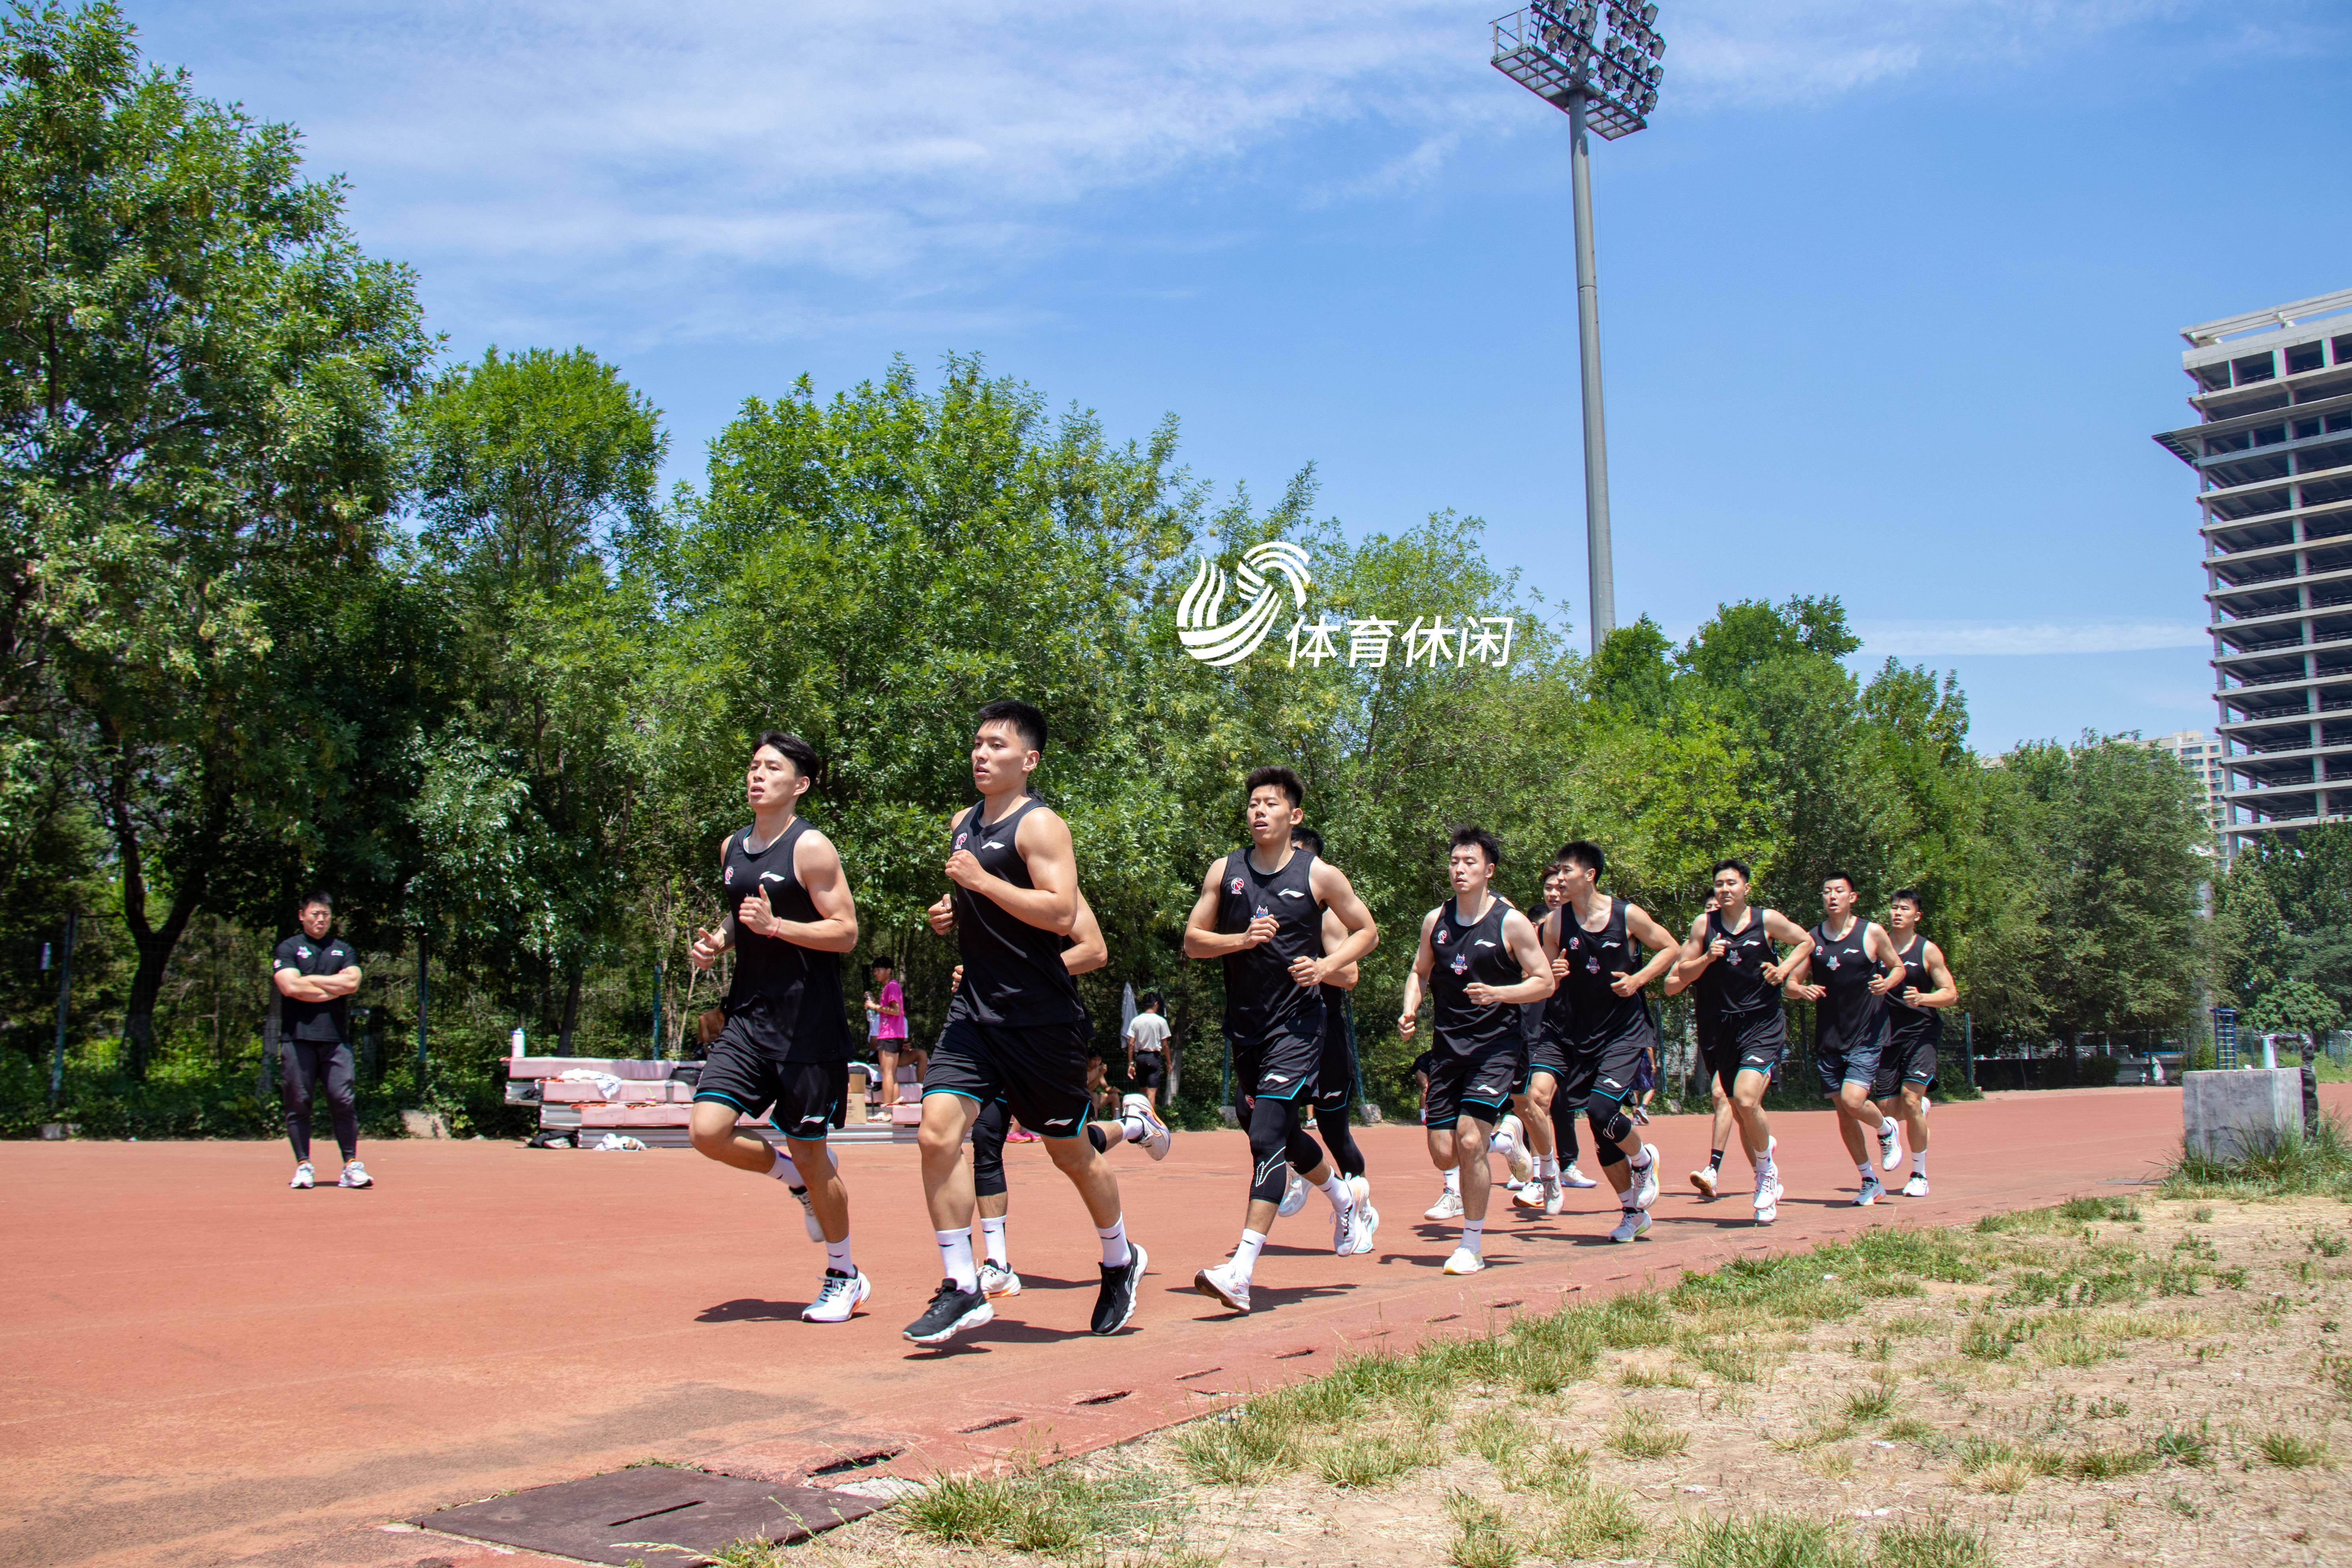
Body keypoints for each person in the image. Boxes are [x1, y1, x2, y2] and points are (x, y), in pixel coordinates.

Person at [908, 700, 1147, 1346]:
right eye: (977, 744)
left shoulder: (1041, 828)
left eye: (997, 745)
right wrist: (951, 914)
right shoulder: (962, 823)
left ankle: (1120, 1259)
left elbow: (1063, 910)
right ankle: (962, 1285)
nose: (981, 754)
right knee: (936, 1135)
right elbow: (981, 908)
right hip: (975, 1012)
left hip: (1038, 1018)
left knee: (1071, 1151)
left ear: (1029, 760)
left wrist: (982, 885)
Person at [1185, 768, 1380, 1315]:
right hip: (1246, 1026)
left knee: (1266, 1132)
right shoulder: (1226, 870)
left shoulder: (1318, 874)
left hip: (1298, 1025)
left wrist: (1326, 965)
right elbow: (1193, 941)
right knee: (1279, 1132)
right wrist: (1239, 939)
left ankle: (1241, 1271)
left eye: (1270, 803)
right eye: (1252, 803)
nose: (1259, 811)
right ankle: (1344, 1199)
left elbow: (1367, 929)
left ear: (1294, 816)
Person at [685, 732, 866, 1323]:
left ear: (801, 783)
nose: (757, 775)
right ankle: (790, 1176)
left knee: (814, 1153)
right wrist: (720, 938)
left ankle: (845, 1273)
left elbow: (845, 932)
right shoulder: (732, 846)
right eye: (754, 766)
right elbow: (745, 912)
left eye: (772, 767)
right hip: (748, 1017)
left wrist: (776, 927)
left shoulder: (812, 848)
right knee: (707, 1130)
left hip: (806, 1028)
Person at [966, 888, 1172, 1301]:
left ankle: (1133, 1124)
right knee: (986, 1138)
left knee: (1066, 1145)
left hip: (1047, 1030)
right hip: (987, 1027)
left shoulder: (1054, 882)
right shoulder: (980, 874)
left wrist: (1018, 975)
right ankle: (997, 1263)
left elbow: (1095, 950)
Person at [1398, 826, 1555, 1275]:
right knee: (1445, 1153)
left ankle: (1471, 1243)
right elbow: (1419, 971)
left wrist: (1500, 993)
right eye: (1454, 862)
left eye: (1469, 863)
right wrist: (1411, 1008)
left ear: (1488, 870)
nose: (1459, 869)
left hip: (1496, 1049)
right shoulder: (1436, 921)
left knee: (1469, 1140)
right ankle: (1506, 1139)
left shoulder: (1510, 922)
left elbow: (1543, 980)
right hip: (1447, 1049)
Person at [1540, 842, 1680, 1242]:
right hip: (1581, 1034)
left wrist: (1639, 979)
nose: (1560, 878)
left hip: (1624, 1029)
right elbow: (1545, 980)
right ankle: (1632, 1211)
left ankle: (1642, 1158)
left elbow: (1670, 947)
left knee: (1602, 1110)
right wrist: (1556, 973)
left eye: (1567, 871)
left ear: (1590, 875)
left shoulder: (1626, 914)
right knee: (1600, 1126)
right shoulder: (1554, 923)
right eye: (1558, 872)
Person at [1673, 860, 1812, 1225]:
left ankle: (1766, 1174)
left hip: (1762, 1022)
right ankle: (1766, 1166)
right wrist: (1707, 957)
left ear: (1746, 887)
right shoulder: (1704, 926)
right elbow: (1677, 978)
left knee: (1747, 1098)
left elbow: (1805, 941)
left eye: (1732, 883)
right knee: (1738, 1107)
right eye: (1719, 883)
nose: (1725, 889)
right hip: (1721, 1028)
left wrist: (1783, 970)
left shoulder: (1766, 920)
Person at [1783, 872, 1909, 1206]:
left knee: (1854, 1101)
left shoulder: (1872, 933)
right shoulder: (1811, 939)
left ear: (1852, 897)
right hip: (1830, 1038)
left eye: (1839, 891)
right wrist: (1801, 989)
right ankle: (1869, 1180)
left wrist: (1888, 983)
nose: (1832, 896)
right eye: (1827, 892)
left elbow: (1898, 968)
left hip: (1866, 1033)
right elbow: (1790, 984)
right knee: (1844, 1114)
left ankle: (1886, 1129)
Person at [1290, 826, 1378, 1239]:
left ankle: (1360, 1203)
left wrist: (1318, 965)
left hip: (1323, 1035)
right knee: (1267, 1118)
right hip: (1281, 1034)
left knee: (1333, 1130)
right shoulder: (1263, 907)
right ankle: (1307, 1171)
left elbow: (1351, 975)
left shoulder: (1326, 915)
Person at [1513, 861, 1598, 1217]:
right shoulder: (1536, 930)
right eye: (1549, 887)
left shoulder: (1593, 924)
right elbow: (1525, 976)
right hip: (1546, 1027)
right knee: (1539, 1098)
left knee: (1592, 1108)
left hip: (1590, 1029)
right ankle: (1542, 1171)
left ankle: (1628, 1160)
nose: (1554, 891)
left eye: (1559, 886)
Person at [273, 893, 369, 1190]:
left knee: (342, 1099)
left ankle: (351, 1166)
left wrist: (309, 980)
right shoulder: (288, 947)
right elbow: (289, 985)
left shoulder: (344, 949)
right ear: (302, 915)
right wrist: (332, 986)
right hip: (297, 1039)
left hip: (337, 1041)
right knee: (298, 1102)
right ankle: (304, 1165)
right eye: (315, 914)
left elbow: (352, 982)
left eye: (325, 914)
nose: (321, 919)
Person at [1872, 889, 1957, 1197]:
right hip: (1885, 1035)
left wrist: (1923, 998)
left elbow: (1950, 993)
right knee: (1887, 1110)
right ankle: (1919, 1109)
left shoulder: (1928, 951)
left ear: (1916, 916)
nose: (1897, 912)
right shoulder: (1878, 946)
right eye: (1893, 907)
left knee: (1908, 1099)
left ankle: (1919, 1174)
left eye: (1904, 909)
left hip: (1921, 1034)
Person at [865, 957, 907, 1114]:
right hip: (892, 1034)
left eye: (879, 970)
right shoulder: (889, 988)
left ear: (889, 971)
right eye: (874, 971)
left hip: (890, 1034)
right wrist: (877, 1003)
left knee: (887, 1073)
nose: (876, 973)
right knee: (891, 1072)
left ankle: (887, 1110)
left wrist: (875, 1006)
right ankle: (894, 1109)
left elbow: (895, 1010)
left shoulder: (892, 986)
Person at [1125, 993, 1172, 1111]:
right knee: (1152, 1094)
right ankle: (1151, 1123)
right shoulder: (1161, 1021)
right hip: (1154, 1057)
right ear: (1156, 1004)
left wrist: (1131, 1064)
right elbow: (1165, 1045)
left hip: (1140, 1057)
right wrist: (1169, 1062)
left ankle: (1142, 1122)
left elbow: (1131, 1044)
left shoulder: (1136, 1021)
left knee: (1143, 1092)